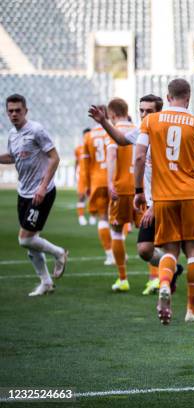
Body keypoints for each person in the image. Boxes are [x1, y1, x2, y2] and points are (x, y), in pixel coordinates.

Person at [89, 96, 194, 313]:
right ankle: (174, 270)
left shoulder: (163, 130)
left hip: (168, 202)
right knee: (145, 250)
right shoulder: (145, 129)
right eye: (141, 110)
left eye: (148, 110)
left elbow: (174, 172)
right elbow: (121, 139)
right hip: (156, 203)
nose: (144, 114)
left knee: (191, 250)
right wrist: (104, 122)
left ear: (161, 110)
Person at [134, 78, 194, 323]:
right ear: (188, 98)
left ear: (167, 97)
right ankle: (192, 310)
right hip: (191, 195)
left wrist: (139, 190)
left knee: (169, 250)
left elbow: (139, 157)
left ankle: (164, 283)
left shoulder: (150, 121)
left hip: (163, 197)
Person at [0, 94, 68, 296]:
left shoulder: (36, 130)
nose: (14, 114)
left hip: (42, 192)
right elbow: (13, 157)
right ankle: (46, 282)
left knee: (25, 239)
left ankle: (59, 253)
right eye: (10, 110)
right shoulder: (12, 135)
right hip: (23, 193)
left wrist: (41, 186)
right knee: (31, 242)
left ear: (25, 111)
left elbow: (54, 158)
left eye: (18, 110)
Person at [104, 98, 140, 292]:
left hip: (121, 188)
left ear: (112, 114)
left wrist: (109, 183)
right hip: (140, 187)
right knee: (147, 233)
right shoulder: (139, 128)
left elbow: (111, 156)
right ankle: (155, 278)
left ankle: (123, 278)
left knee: (117, 230)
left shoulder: (114, 131)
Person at [82, 110, 114, 265]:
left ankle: (110, 254)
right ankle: (119, 252)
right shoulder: (112, 131)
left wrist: (85, 185)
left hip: (97, 181)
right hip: (114, 180)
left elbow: (85, 165)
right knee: (115, 218)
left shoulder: (88, 136)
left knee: (102, 218)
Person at [75, 128, 90, 226]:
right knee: (81, 196)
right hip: (82, 176)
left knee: (92, 197)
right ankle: (81, 216)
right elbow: (76, 162)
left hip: (92, 176)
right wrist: (74, 173)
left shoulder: (94, 147)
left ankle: (93, 216)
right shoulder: (78, 149)